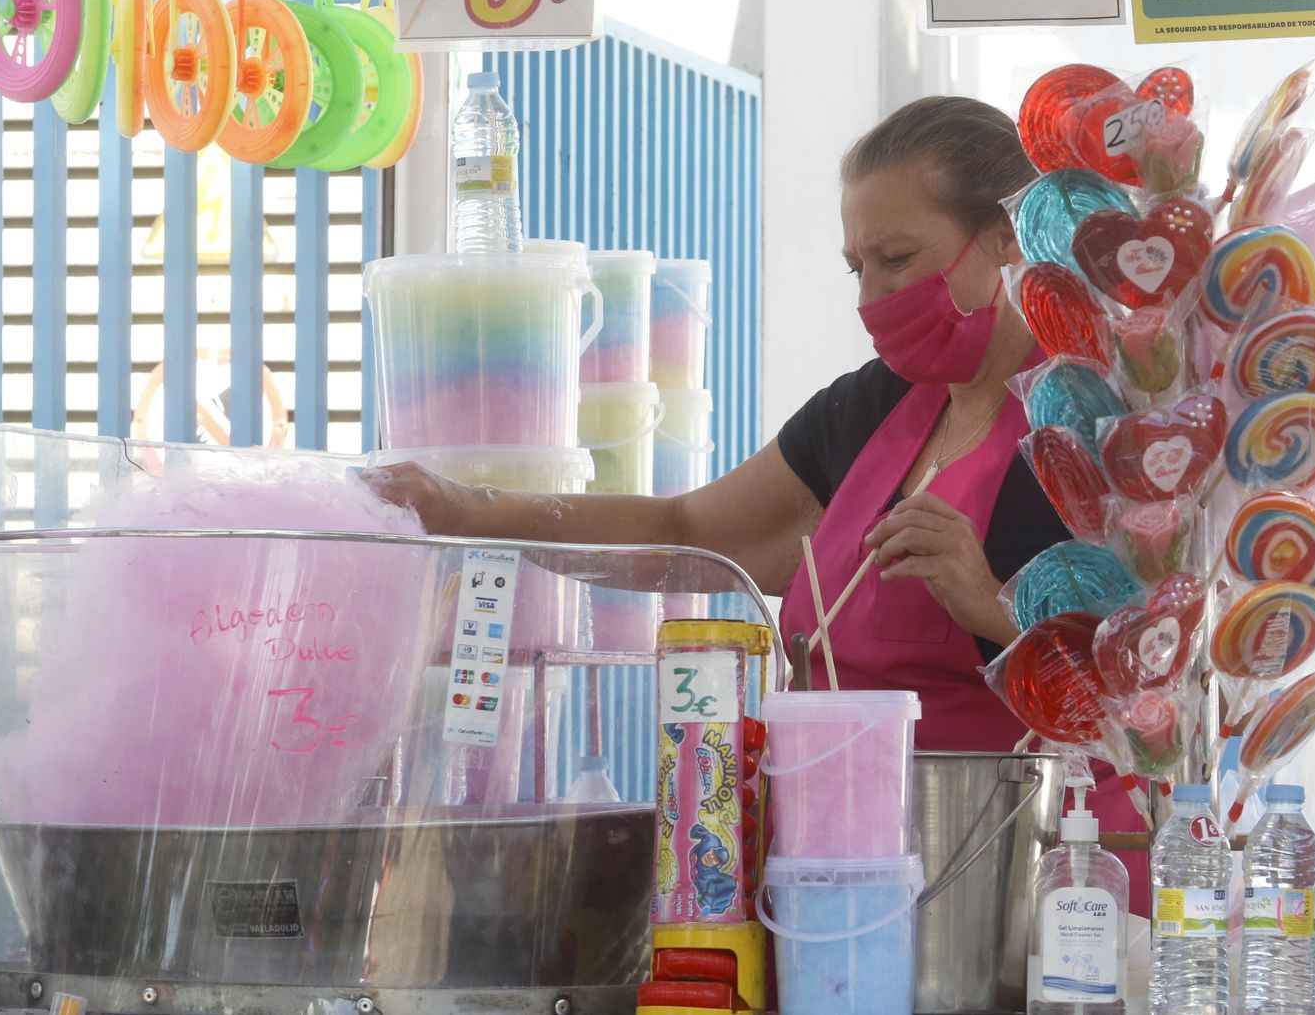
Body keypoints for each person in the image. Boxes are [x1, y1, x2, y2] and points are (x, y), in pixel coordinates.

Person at [367, 95, 1147, 906]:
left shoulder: (1090, 424)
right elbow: (684, 531)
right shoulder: (869, 410)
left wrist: (989, 604)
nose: (871, 298)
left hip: (1035, 879)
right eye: (858, 268)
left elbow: (1148, 687)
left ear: (1005, 240)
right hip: (842, 869)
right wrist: (471, 511)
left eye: (899, 258)